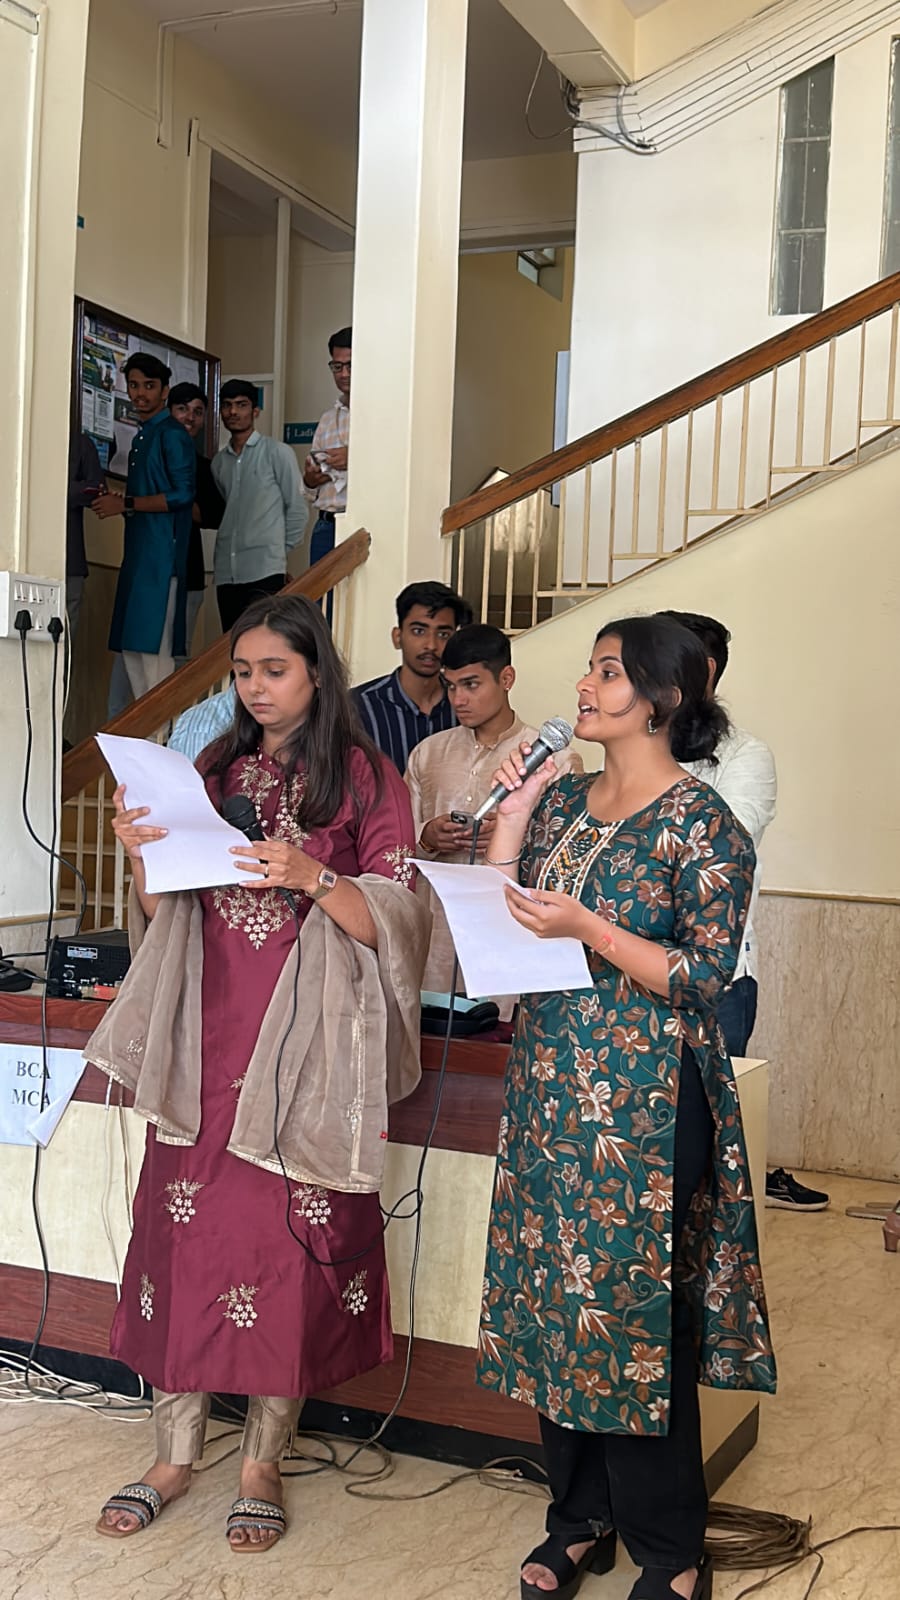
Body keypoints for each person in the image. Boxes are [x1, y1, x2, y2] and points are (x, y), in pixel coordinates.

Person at [88, 593, 426, 1553]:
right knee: (183, 1238)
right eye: (242, 672)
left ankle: (261, 1462)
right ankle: (172, 1455)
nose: (255, 688)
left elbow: (402, 918)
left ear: (317, 669)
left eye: (274, 670)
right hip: (206, 1034)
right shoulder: (211, 768)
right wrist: (142, 858)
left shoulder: (364, 777)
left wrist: (312, 875)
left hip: (309, 1043)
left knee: (286, 1245)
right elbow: (165, 910)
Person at [476, 614, 776, 1600]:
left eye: (609, 672)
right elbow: (503, 922)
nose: (585, 685)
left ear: (662, 699)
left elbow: (704, 975)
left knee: (631, 1312)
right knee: (555, 1305)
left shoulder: (703, 822)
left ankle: (670, 1547)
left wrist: (590, 927)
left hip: (647, 1105)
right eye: (590, 667)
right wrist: (516, 811)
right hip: (549, 1088)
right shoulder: (564, 799)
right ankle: (578, 1519)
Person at [659, 610, 829, 1215]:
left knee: (699, 1155)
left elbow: (714, 852)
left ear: (699, 672)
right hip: (623, 977)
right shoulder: (621, 754)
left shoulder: (746, 756)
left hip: (717, 981)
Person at [405, 623, 583, 999]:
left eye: (471, 685)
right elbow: (396, 843)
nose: (458, 699)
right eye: (451, 686)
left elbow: (564, 864)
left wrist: (509, 837)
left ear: (506, 679)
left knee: (496, 1031)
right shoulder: (427, 753)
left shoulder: (554, 760)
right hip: (435, 939)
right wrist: (428, 836)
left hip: (507, 940)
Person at [93, 354, 196, 700]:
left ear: (165, 390)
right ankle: (149, 732)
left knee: (155, 663)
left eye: (149, 386)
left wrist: (126, 504)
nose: (140, 394)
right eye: (134, 385)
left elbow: (183, 494)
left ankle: (161, 734)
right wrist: (123, 503)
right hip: (138, 560)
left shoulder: (172, 434)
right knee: (133, 654)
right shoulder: (143, 436)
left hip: (162, 563)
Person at [212, 380, 307, 631]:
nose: (233, 411)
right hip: (226, 572)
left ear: (255, 411)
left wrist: (278, 553)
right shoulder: (219, 463)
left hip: (265, 570)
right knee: (231, 643)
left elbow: (297, 508)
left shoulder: (278, 452)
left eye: (241, 405)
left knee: (263, 639)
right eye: (227, 405)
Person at [353, 581, 472, 774]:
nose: (431, 645)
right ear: (397, 637)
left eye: (443, 634)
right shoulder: (357, 707)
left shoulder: (466, 705)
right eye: (419, 631)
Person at [167, 381, 225, 659]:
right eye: (183, 409)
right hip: (149, 567)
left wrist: (176, 499)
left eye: (198, 411)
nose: (190, 417)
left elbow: (214, 516)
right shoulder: (152, 455)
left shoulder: (203, 467)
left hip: (188, 568)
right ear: (169, 411)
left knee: (180, 651)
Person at [302, 326, 351, 569]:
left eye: (351, 365)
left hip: (364, 523)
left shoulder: (386, 414)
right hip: (325, 525)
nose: (344, 374)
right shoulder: (327, 419)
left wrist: (354, 458)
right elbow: (310, 488)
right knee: (319, 594)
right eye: (337, 366)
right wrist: (310, 479)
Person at [66, 429, 104, 645]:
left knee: (65, 646)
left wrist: (57, 488)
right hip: (22, 558)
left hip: (71, 560)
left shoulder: (80, 443)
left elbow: (98, 488)